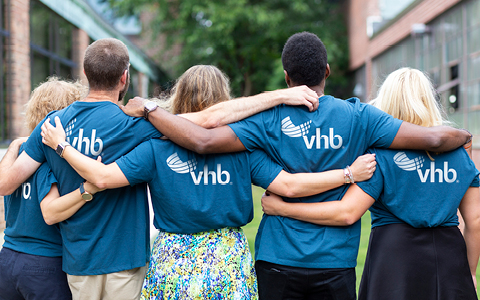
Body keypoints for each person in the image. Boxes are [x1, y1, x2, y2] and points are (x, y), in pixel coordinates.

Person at [113, 32, 472, 299]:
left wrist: (150, 108)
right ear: (327, 71)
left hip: (277, 257)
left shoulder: (267, 120)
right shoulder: (360, 117)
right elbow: (435, 139)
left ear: (286, 77)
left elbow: (202, 139)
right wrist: (465, 136)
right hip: (336, 260)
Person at [0, 38, 320, 300]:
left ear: (85, 74)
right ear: (125, 76)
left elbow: (7, 184)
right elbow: (209, 122)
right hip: (161, 260)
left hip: (91, 260)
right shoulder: (137, 127)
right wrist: (280, 96)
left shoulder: (55, 125)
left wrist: (27, 146)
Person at [41, 65, 377, 299]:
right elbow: (289, 186)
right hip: (227, 261)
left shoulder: (154, 148)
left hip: (173, 263)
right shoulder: (243, 150)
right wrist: (347, 174)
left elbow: (101, 176)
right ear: (226, 99)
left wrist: (62, 145)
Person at [261, 67, 480, 300]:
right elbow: (475, 221)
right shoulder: (459, 154)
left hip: (394, 262)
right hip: (449, 260)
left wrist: (282, 208)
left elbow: (346, 212)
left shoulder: (380, 157)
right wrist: (470, 271)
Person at [0, 77, 96, 300]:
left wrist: (14, 145)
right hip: (44, 264)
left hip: (8, 259)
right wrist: (87, 189)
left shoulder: (17, 159)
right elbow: (51, 210)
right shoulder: (51, 162)